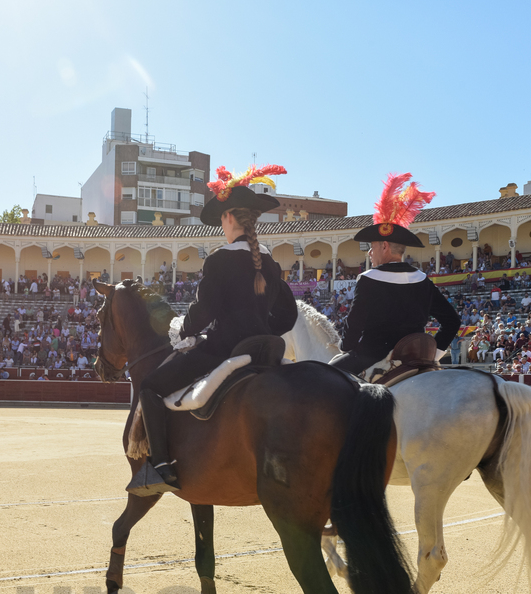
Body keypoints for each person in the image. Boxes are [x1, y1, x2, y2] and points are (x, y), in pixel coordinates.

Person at [130, 165, 295, 496]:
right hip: (265, 347)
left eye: (222, 218)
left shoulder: (220, 261)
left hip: (224, 349)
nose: (222, 224)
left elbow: (203, 312)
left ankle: (160, 466)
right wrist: (263, 329)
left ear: (230, 218)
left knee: (149, 386)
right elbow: (287, 315)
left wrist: (182, 327)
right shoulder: (271, 263)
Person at [330, 173, 459, 376]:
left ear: (385, 245)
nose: (369, 253)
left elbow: (355, 323)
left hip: (372, 355)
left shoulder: (368, 279)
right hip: (416, 357)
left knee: (326, 377)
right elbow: (452, 321)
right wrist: (435, 354)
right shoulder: (422, 280)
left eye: (372, 247)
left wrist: (345, 347)